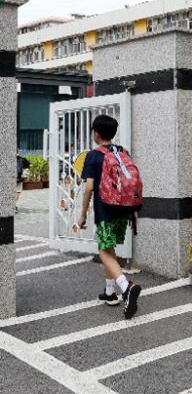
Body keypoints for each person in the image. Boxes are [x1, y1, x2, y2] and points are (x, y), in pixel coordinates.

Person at [78, 115, 142, 319]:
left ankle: (126, 286)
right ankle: (109, 292)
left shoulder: (94, 156)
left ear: (96, 134)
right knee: (110, 248)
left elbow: (88, 187)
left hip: (105, 210)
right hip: (123, 209)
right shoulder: (122, 151)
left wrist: (82, 215)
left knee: (104, 251)